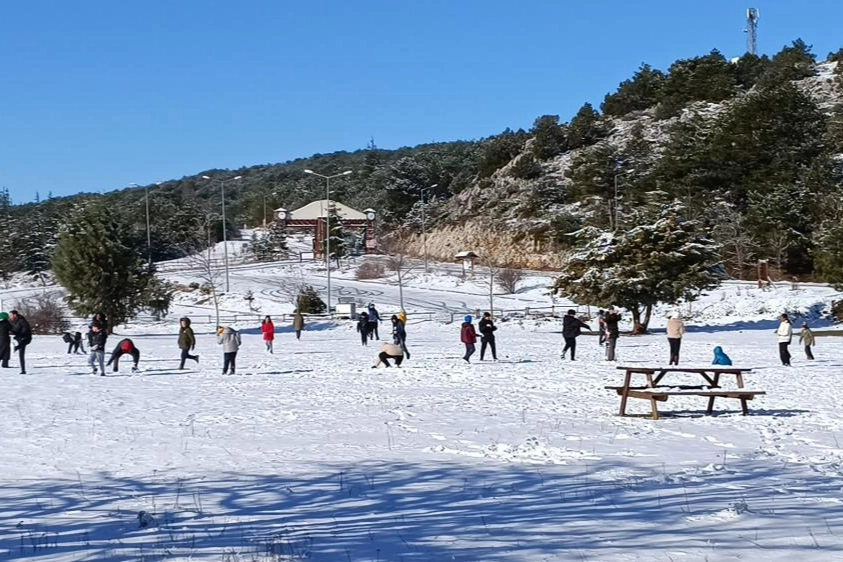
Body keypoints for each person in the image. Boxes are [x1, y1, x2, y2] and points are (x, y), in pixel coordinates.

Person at [9, 310, 32, 374]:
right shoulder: (15, 322)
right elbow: (15, 330)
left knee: (21, 352)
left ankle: (15, 348)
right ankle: (23, 370)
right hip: (20, 339)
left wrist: (21, 336)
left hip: (25, 338)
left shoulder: (22, 321)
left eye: (11, 315)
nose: (10, 317)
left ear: (15, 315)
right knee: (21, 355)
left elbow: (26, 330)